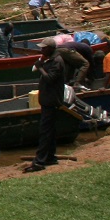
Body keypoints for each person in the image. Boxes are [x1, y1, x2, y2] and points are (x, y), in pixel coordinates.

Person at [26, 39, 66, 172]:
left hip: (51, 101)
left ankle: (40, 160)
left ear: (50, 48)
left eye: (44, 48)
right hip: (48, 100)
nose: (41, 50)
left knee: (45, 131)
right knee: (50, 131)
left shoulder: (57, 61)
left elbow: (50, 79)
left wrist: (40, 67)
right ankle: (50, 157)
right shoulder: (51, 59)